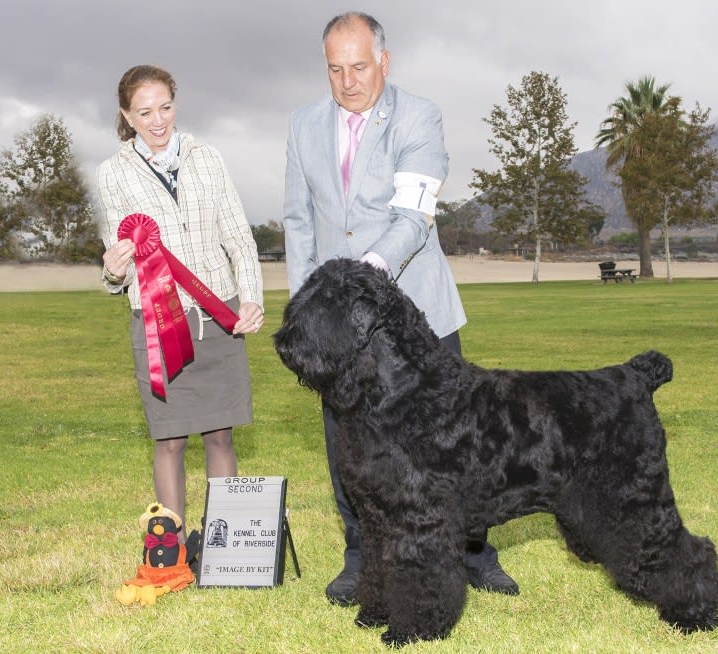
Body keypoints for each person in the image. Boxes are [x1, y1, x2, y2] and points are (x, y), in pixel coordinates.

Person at [283, 12, 519, 605]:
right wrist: (307, 308)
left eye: (359, 66)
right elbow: (298, 221)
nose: (348, 81)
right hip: (340, 329)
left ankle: (473, 554)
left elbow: (412, 218)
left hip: (419, 313)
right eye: (335, 69)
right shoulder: (302, 124)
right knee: (350, 446)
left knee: (450, 441)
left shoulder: (418, 116)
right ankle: (361, 552)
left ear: (384, 61)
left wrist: (365, 279)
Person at [97, 64, 265, 543]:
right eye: (144, 112)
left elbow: (238, 235)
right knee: (169, 439)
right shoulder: (112, 172)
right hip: (155, 319)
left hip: (219, 316)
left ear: (176, 103)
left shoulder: (207, 157)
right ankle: (170, 549)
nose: (157, 120)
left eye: (165, 107)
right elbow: (119, 267)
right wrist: (112, 269)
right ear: (126, 116)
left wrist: (250, 298)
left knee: (220, 435)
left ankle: (227, 547)